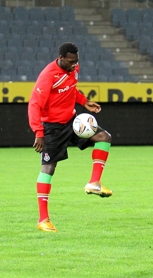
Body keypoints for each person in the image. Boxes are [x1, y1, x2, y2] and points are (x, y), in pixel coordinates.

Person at [28, 42, 113, 232]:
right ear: (61, 58)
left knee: (104, 137)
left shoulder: (73, 69)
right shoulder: (48, 76)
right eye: (71, 62)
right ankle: (43, 220)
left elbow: (71, 89)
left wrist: (85, 102)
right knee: (48, 169)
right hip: (52, 127)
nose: (75, 65)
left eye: (77, 61)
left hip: (72, 121)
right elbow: (34, 104)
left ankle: (94, 183)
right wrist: (39, 132)